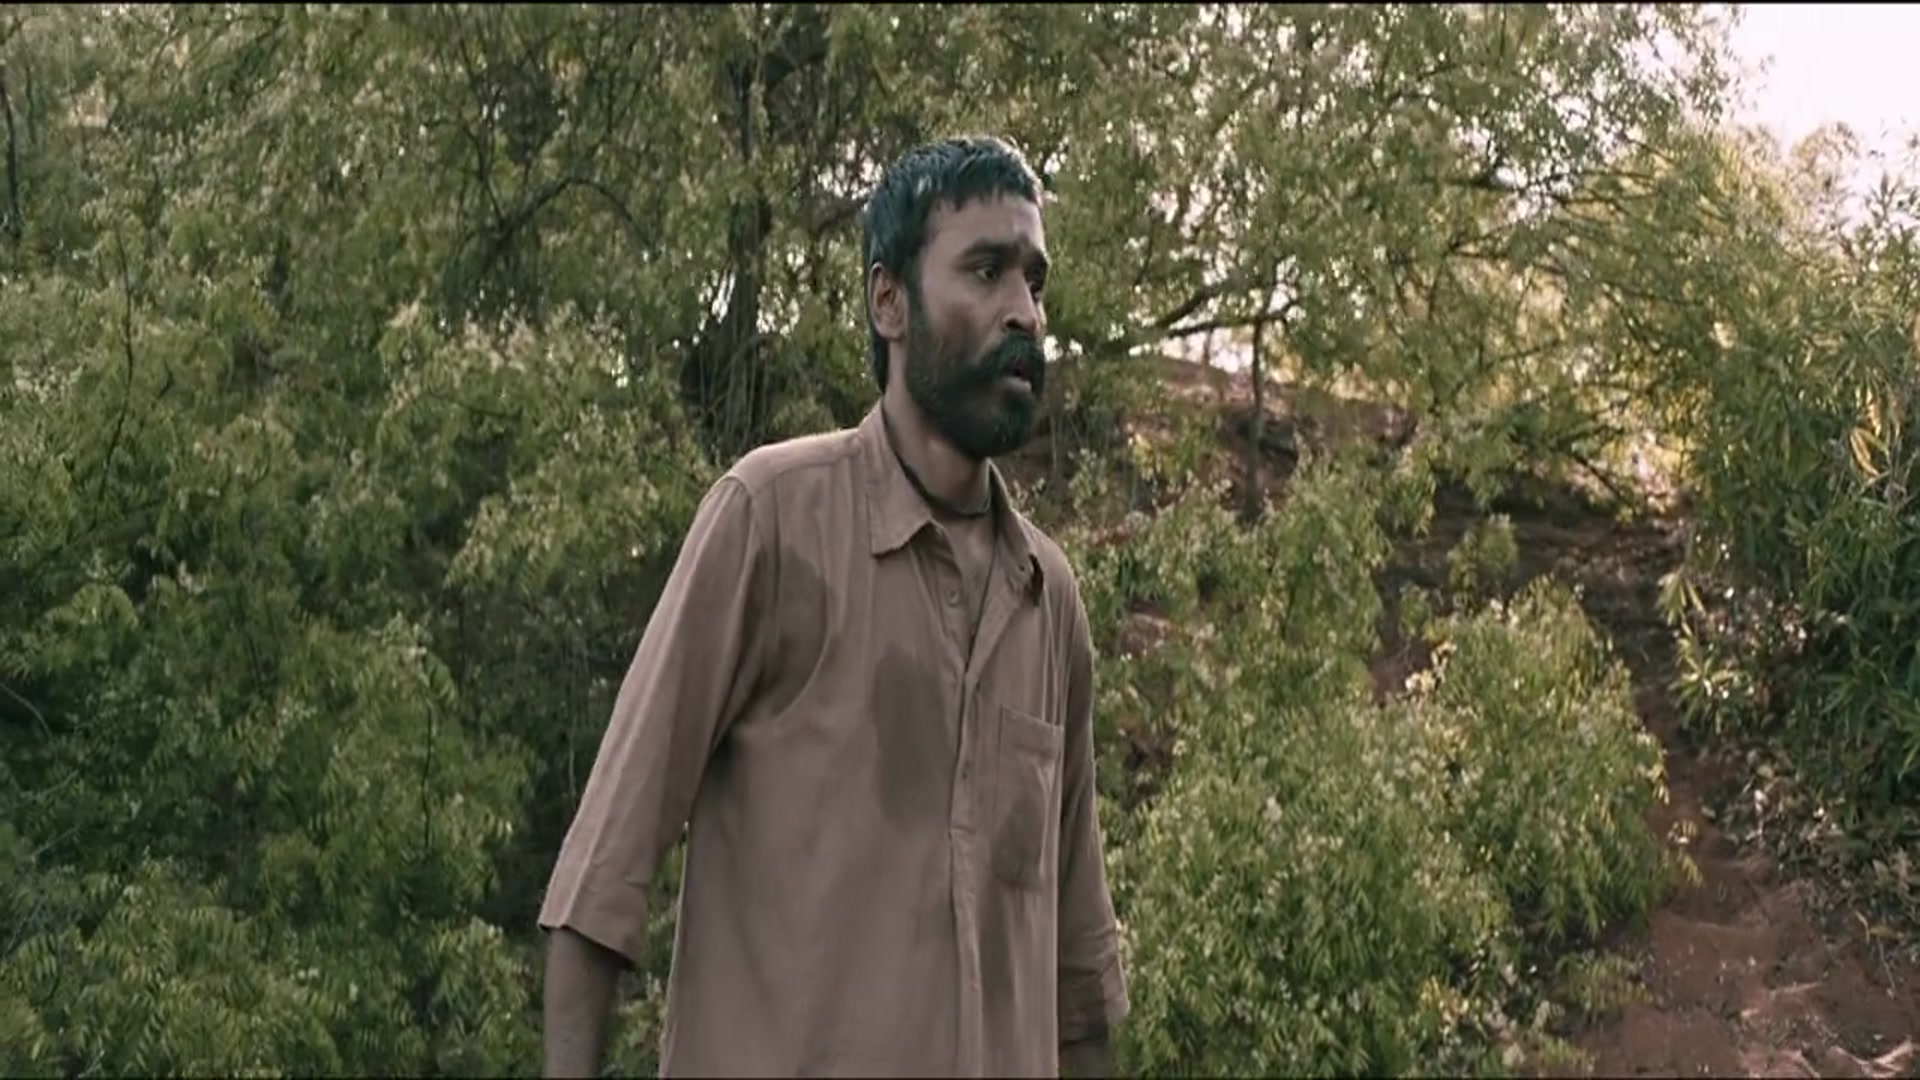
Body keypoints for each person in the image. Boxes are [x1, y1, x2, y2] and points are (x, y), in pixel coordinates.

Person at [537, 135, 1128, 1079]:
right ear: (889, 301)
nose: (1024, 310)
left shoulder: (1046, 600)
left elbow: (1079, 986)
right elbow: (600, 885)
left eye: (1034, 280)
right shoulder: (770, 521)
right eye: (985, 271)